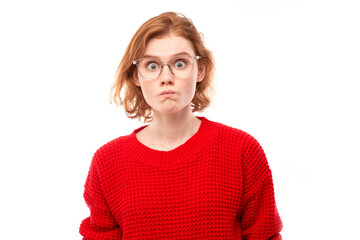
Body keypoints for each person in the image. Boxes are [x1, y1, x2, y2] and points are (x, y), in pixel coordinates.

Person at [79, 12, 282, 239]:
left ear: (200, 70)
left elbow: (264, 235)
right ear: (136, 75)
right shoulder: (107, 162)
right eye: (152, 65)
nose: (166, 77)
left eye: (179, 63)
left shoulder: (241, 150)